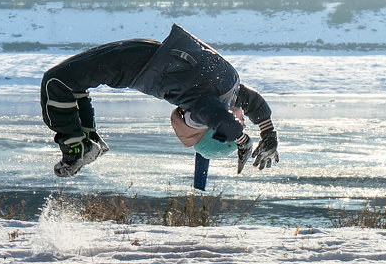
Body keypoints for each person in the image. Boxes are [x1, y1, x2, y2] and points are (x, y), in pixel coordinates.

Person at [40, 24, 279, 177]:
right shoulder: (227, 97)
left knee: (58, 82)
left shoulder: (201, 112)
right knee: (65, 82)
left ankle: (77, 146)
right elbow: (249, 107)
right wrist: (263, 135)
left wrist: (246, 136)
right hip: (144, 60)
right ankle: (85, 142)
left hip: (138, 63)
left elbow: (222, 118)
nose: (244, 122)